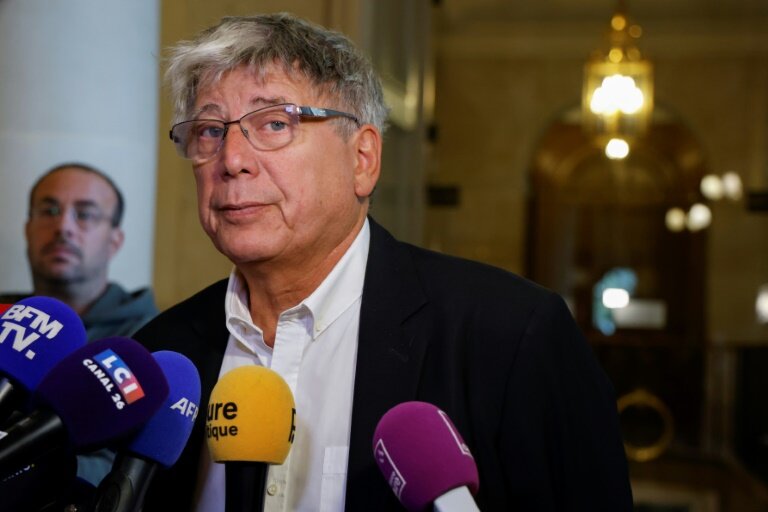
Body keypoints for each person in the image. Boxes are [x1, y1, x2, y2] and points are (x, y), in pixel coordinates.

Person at [135, 13, 633, 511]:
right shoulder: (162, 355)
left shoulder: (511, 337)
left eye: (274, 123)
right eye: (208, 131)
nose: (231, 159)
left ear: (363, 160)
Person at [0, 162, 159, 485]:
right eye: (49, 211)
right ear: (27, 229)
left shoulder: (150, 343)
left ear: (115, 240)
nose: (64, 227)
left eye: (85, 214)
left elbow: (120, 468)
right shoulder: (5, 318)